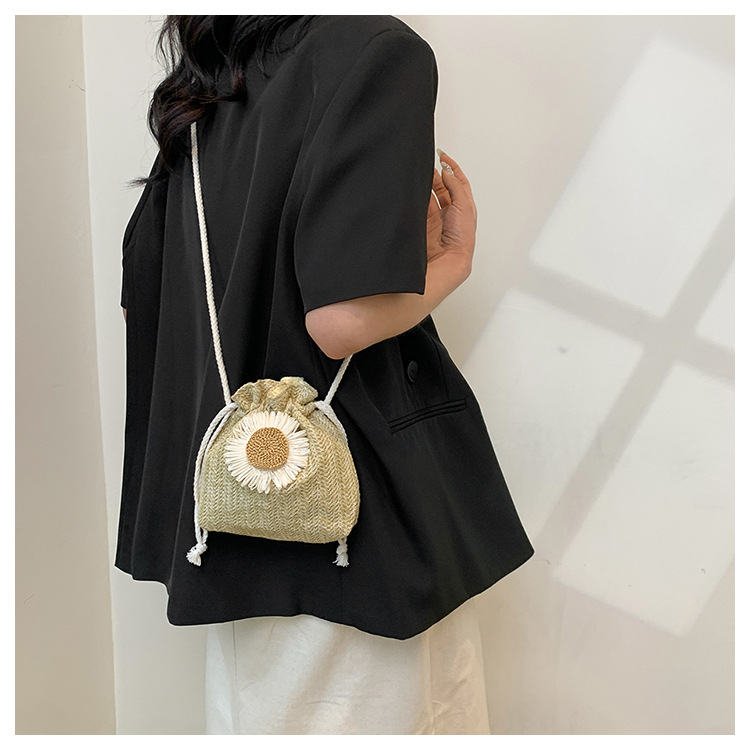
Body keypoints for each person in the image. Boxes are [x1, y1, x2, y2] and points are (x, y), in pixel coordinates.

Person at [118, 14, 535, 734]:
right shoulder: (378, 53)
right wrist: (452, 263)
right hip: (353, 523)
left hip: (231, 510)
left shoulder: (208, 81)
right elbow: (341, 324)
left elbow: (143, 304)